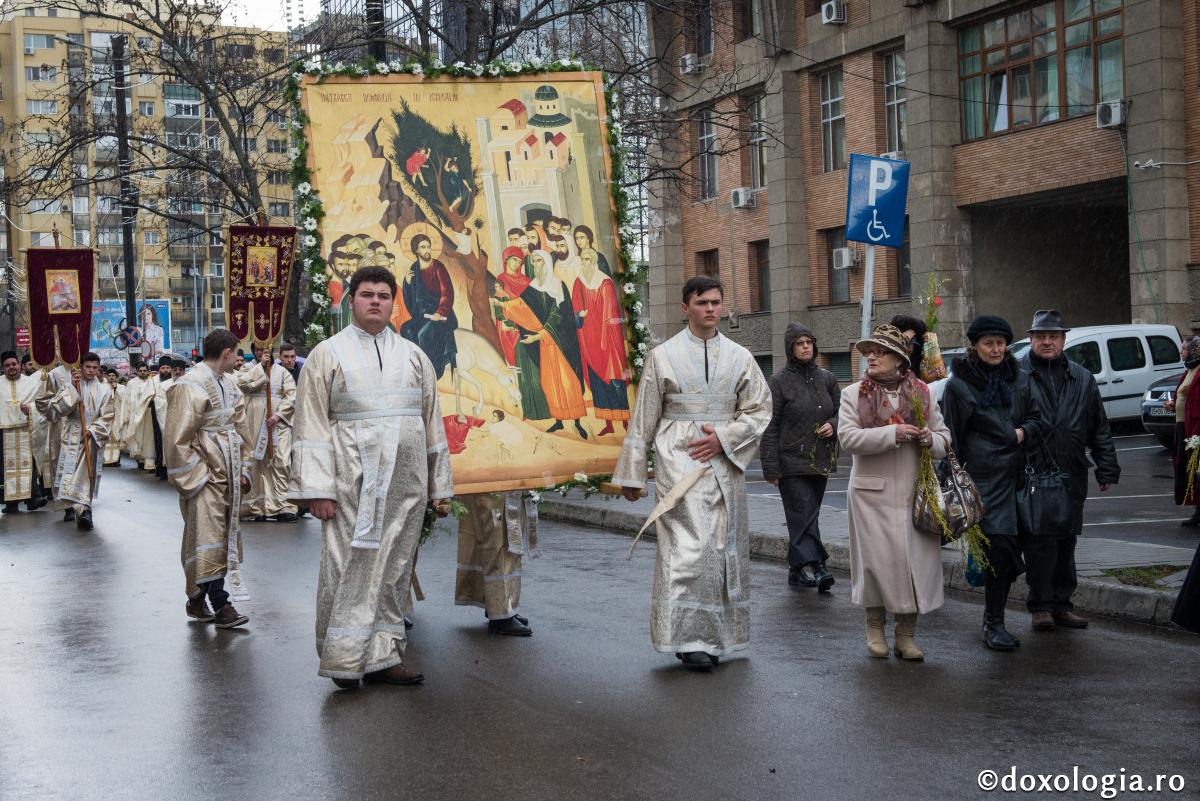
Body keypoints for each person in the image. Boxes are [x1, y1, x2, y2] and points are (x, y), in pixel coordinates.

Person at [290, 265, 454, 690]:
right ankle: (342, 655)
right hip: (348, 483)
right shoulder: (327, 354)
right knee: (346, 564)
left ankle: (383, 655)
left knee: (395, 568)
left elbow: (431, 421)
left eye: (383, 294)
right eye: (367, 294)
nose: (376, 301)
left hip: (407, 483)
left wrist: (440, 486)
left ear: (394, 301)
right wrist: (317, 489)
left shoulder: (415, 356)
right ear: (352, 301)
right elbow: (310, 425)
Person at [613, 276, 772, 671]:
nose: (711, 309)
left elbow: (759, 409)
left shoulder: (740, 356)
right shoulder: (662, 355)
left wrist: (725, 438)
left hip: (723, 463)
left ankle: (717, 636)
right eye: (702, 303)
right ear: (686, 308)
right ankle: (686, 639)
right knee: (685, 549)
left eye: (717, 302)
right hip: (678, 461)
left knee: (720, 548)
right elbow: (645, 414)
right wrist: (632, 473)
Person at [838, 324, 951, 660]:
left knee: (913, 565)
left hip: (915, 496)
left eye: (880, 351)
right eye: (868, 351)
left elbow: (944, 437)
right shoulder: (853, 394)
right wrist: (893, 435)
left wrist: (933, 440)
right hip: (870, 496)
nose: (871, 356)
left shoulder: (923, 392)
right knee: (876, 565)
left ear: (900, 359)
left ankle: (906, 634)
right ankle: (874, 628)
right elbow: (848, 439)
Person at [941, 315, 1042, 652]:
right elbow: (951, 435)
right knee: (999, 549)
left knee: (1013, 551)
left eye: (1001, 343)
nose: (996, 349)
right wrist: (949, 478)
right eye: (989, 343)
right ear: (975, 346)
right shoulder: (959, 385)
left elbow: (1038, 419)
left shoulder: (1021, 379)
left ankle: (995, 617)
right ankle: (993, 623)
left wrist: (1023, 432)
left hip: (1018, 479)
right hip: (983, 481)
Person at [1018, 310, 1119, 631]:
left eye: (1054, 336)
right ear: (1031, 338)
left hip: (1071, 470)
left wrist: (1107, 468)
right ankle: (1040, 605)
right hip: (1031, 471)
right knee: (1038, 541)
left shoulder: (1082, 378)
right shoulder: (1017, 375)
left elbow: (1099, 427)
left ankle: (1062, 604)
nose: (1047, 342)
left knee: (1066, 540)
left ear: (1063, 340)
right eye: (1041, 336)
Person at [164, 329, 253, 630]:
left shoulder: (230, 382)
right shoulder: (189, 384)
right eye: (237, 353)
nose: (239, 358)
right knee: (207, 537)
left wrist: (243, 469)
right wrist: (196, 476)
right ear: (227, 352)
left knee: (219, 538)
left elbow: (240, 426)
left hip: (228, 469)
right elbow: (177, 437)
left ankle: (196, 598)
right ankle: (221, 603)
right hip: (204, 473)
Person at [761, 324, 840, 592]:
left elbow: (842, 413)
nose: (806, 346)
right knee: (803, 511)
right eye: (799, 343)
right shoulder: (779, 381)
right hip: (790, 460)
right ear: (790, 348)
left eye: (809, 342)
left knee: (806, 516)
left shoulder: (827, 379)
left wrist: (834, 424)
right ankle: (818, 566)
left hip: (821, 458)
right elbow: (769, 425)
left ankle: (796, 569)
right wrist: (771, 467)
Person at [497, 251, 588, 438]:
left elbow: (559, 315)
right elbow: (521, 307)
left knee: (568, 382)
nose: (537, 264)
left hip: (561, 343)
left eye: (540, 261)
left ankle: (577, 422)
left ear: (546, 263)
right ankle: (559, 420)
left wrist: (540, 335)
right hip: (544, 344)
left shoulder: (558, 285)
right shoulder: (533, 286)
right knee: (550, 382)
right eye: (534, 261)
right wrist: (502, 305)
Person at [39, 352, 115, 531]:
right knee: (69, 473)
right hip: (70, 435)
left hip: (91, 436)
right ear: (81, 367)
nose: (91, 370)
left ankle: (86, 510)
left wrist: (94, 430)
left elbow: (108, 415)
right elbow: (55, 410)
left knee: (86, 475)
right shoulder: (70, 385)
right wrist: (73, 390)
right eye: (88, 367)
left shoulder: (105, 389)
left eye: (95, 368)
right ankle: (72, 507)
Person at [455, 491, 535, 636]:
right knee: (495, 539)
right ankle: (499, 613)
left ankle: (502, 606)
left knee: (510, 538)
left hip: (507, 479)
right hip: (492, 480)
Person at [571, 248, 631, 436]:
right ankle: (609, 424)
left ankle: (625, 422)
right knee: (598, 384)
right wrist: (579, 315)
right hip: (589, 341)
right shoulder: (579, 282)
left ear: (595, 261)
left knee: (615, 381)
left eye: (588, 259)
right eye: (582, 260)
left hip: (608, 341)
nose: (585, 263)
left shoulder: (605, 282)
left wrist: (605, 338)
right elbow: (575, 308)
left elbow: (610, 313)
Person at [238, 344, 298, 523]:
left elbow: (292, 395)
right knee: (256, 462)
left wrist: (279, 414)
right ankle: (257, 506)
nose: (261, 353)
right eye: (257, 350)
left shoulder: (282, 372)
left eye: (265, 350)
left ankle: (283, 505)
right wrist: (260, 369)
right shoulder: (248, 368)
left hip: (278, 422)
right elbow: (242, 384)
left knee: (281, 461)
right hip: (255, 420)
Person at [400, 234, 458, 379]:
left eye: (428, 247)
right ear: (416, 250)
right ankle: (416, 366)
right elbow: (411, 300)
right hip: (423, 314)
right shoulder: (414, 269)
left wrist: (440, 311)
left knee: (423, 334)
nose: (427, 250)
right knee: (406, 329)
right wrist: (407, 283)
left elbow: (447, 293)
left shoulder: (438, 267)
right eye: (423, 247)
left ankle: (432, 371)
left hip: (441, 315)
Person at [0, 351, 47, 513]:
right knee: (6, 468)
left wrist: (30, 410)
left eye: (13, 364)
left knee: (29, 465)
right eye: (7, 365)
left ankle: (33, 498)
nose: (11, 367)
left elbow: (41, 405)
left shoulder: (31, 384)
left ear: (19, 365)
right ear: (3, 368)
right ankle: (10, 503)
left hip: (27, 429)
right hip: (5, 433)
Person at [1167, 337, 1200, 526]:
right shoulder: (1189, 370)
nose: (1181, 352)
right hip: (1182, 425)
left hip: (1194, 428)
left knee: (1194, 468)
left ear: (1194, 350)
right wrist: (1174, 404)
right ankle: (1198, 509)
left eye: (1184, 349)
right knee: (1186, 468)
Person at [123, 362, 156, 470]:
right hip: (136, 414)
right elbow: (126, 400)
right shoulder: (131, 383)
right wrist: (126, 415)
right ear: (137, 371)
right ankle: (140, 458)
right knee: (138, 435)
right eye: (140, 371)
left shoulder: (153, 382)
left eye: (144, 370)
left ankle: (150, 461)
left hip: (149, 413)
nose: (142, 372)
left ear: (148, 371)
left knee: (149, 438)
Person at [152, 357, 176, 480]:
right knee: (159, 442)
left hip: (173, 416)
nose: (166, 370)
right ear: (159, 369)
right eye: (163, 368)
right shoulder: (153, 381)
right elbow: (146, 397)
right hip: (157, 416)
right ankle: (162, 469)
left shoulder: (175, 381)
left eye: (168, 368)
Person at [103, 368, 125, 466]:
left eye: (113, 376)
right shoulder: (103, 387)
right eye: (109, 376)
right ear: (107, 377)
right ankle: (106, 460)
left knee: (117, 437)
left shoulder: (121, 387)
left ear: (116, 377)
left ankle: (116, 460)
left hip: (118, 415)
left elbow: (124, 400)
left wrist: (115, 389)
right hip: (107, 415)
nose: (111, 377)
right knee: (107, 437)